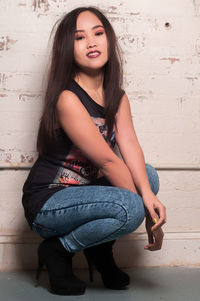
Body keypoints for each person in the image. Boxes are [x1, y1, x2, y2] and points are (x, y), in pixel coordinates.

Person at [22, 6, 166, 296]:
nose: (91, 42)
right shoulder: (68, 98)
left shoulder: (117, 96)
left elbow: (130, 147)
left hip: (84, 195)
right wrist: (149, 217)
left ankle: (99, 252)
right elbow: (109, 162)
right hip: (49, 201)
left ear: (109, 39)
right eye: (79, 37)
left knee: (148, 178)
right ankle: (58, 250)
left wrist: (149, 196)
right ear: (67, 47)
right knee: (131, 207)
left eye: (98, 33)